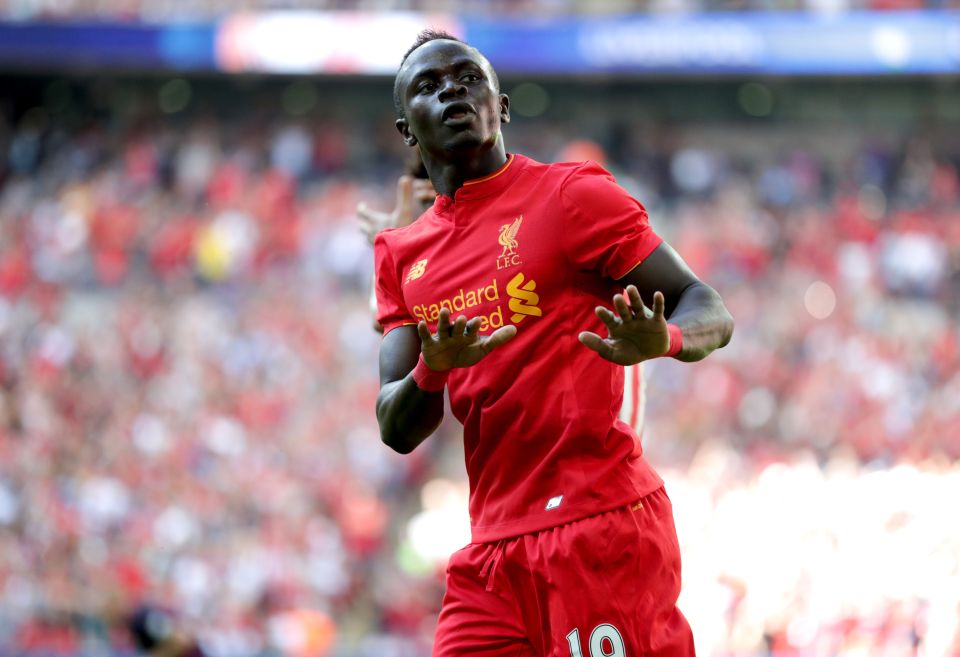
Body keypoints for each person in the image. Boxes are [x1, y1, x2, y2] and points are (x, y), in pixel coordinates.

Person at [373, 30, 734, 657]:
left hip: (597, 525)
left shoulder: (572, 196)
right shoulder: (400, 254)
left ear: (501, 106)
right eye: (429, 87)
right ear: (407, 129)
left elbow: (710, 306)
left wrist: (666, 338)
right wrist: (433, 369)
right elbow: (396, 427)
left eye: (468, 78)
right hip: (491, 553)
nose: (452, 91)